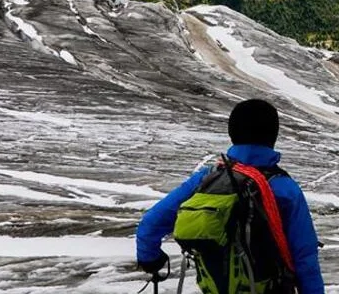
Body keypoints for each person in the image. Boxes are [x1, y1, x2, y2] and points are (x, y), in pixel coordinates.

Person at [135, 99, 325, 294]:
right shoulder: (284, 188)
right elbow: (305, 259)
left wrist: (151, 259)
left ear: (232, 133)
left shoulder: (206, 179)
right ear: (273, 135)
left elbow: (150, 223)